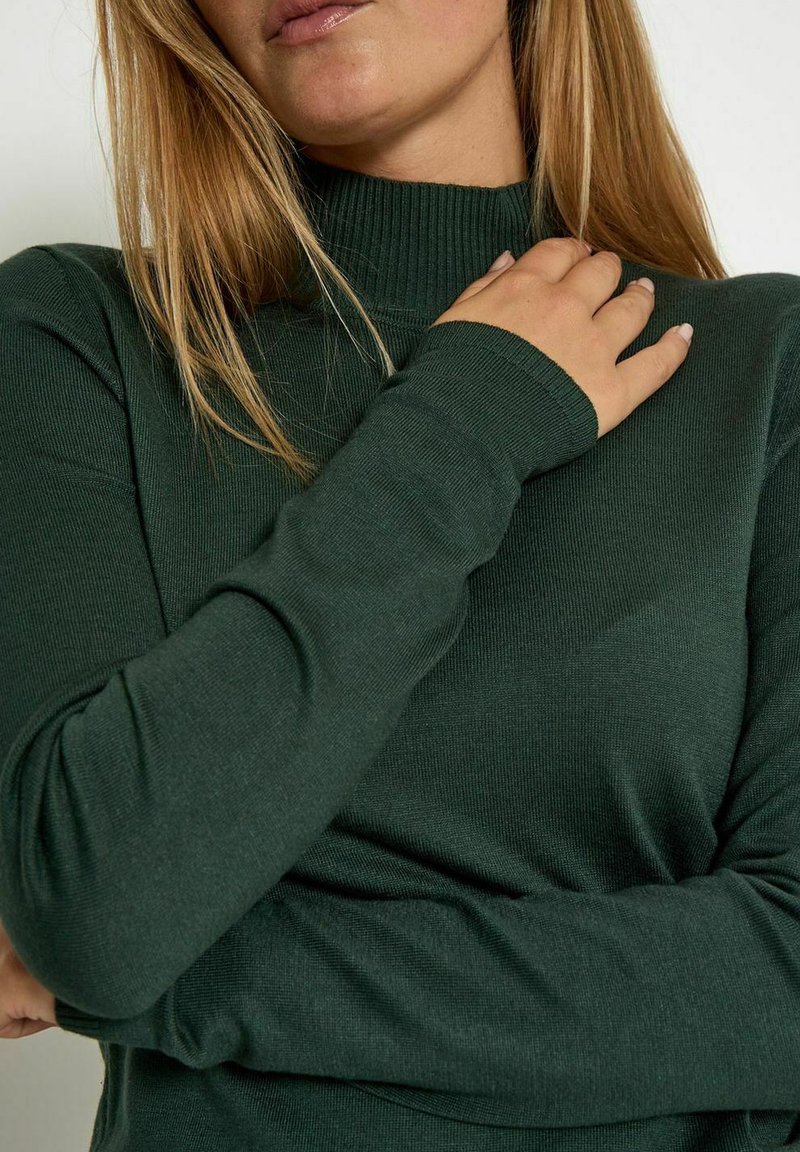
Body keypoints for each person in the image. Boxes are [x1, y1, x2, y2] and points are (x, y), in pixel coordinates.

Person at [1, 0, 799, 1149]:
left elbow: (779, 986)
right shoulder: (84, 340)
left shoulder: (763, 370)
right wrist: (467, 418)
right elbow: (96, 907)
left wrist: (162, 986)